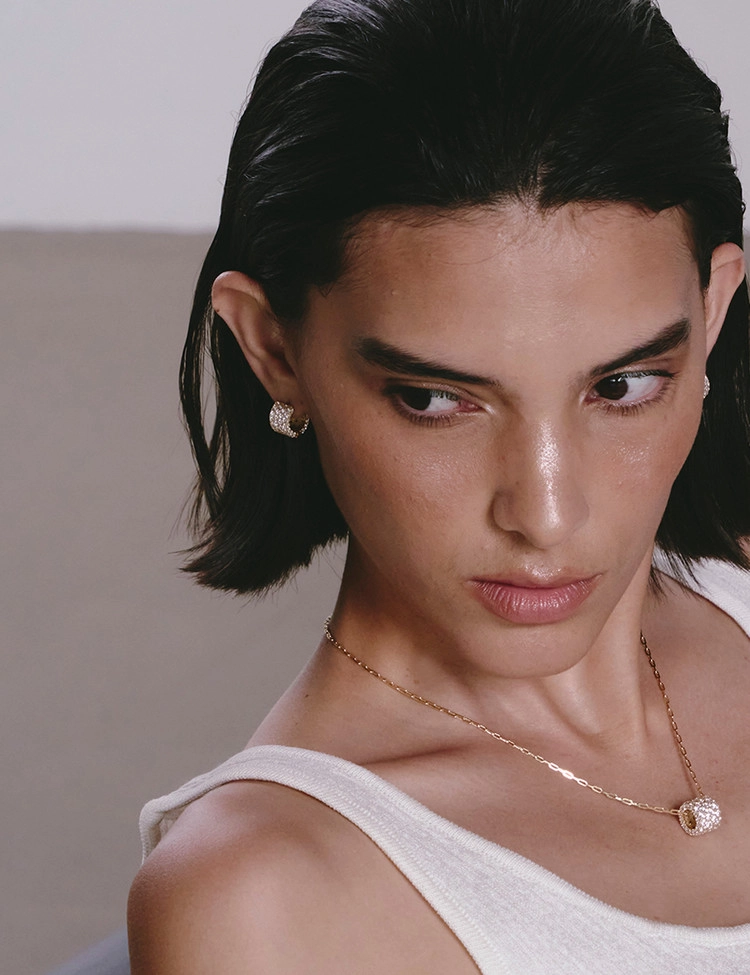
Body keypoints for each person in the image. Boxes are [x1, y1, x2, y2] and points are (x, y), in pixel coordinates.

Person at [127, 0, 750, 971]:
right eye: (434, 399)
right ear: (274, 349)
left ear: (711, 312)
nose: (546, 513)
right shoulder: (262, 902)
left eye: (623, 387)